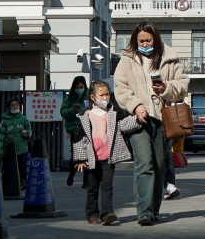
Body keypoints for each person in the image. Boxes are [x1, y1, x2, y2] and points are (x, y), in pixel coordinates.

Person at [114, 21, 188, 226]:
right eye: (140, 40)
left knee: (159, 165)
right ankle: (144, 212)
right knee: (144, 164)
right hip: (139, 121)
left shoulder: (169, 58)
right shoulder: (127, 60)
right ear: (134, 41)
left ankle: (154, 210)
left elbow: (182, 84)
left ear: (155, 39)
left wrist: (165, 87)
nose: (144, 43)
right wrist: (136, 105)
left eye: (148, 40)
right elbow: (120, 87)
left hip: (163, 120)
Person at [72, 80, 139, 225]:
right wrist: (81, 159)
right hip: (91, 158)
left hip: (109, 156)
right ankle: (92, 214)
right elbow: (79, 138)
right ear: (93, 97)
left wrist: (138, 118)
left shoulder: (114, 113)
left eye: (107, 94)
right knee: (92, 187)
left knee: (107, 186)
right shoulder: (85, 116)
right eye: (101, 95)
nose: (105, 98)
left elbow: (125, 124)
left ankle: (107, 213)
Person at [0, 98, 33, 189]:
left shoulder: (23, 119)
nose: (15, 106)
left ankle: (23, 182)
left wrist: (27, 135)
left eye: (16, 104)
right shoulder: (5, 121)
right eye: (12, 105)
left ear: (20, 107)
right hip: (8, 149)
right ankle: (9, 183)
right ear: (8, 108)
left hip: (21, 148)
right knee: (9, 167)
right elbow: (0, 137)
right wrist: (0, 151)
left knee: (21, 166)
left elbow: (29, 130)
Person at [62, 75, 89, 187]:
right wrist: (73, 110)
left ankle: (86, 181)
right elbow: (63, 112)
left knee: (88, 153)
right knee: (75, 154)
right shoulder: (69, 98)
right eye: (77, 87)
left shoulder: (89, 97)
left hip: (87, 129)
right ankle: (71, 175)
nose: (79, 89)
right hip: (75, 129)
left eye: (81, 87)